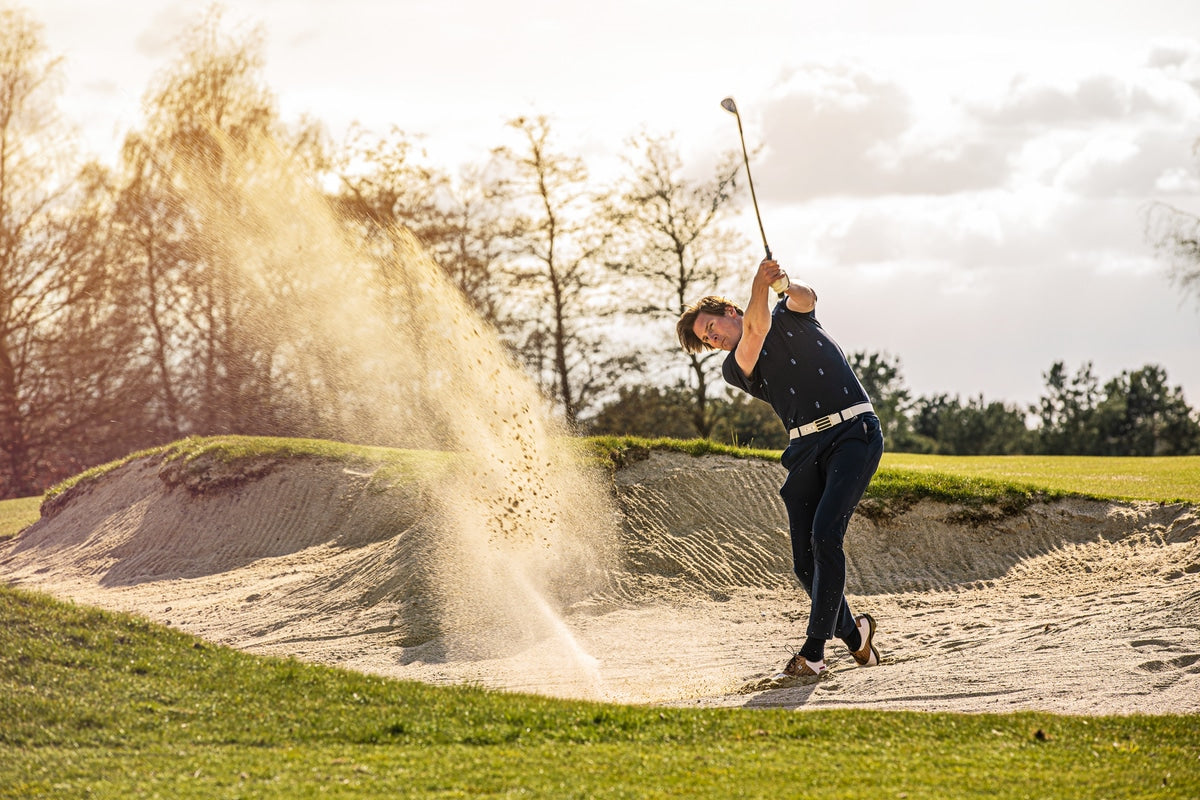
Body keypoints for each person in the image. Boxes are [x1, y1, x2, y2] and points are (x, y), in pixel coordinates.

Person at [676, 257, 885, 683]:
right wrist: (759, 283)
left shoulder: (791, 315)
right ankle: (854, 632)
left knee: (826, 533)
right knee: (804, 563)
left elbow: (807, 296)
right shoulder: (736, 366)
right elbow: (755, 331)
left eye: (711, 328)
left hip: (854, 434)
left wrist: (783, 283)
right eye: (706, 339)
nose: (713, 339)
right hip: (805, 447)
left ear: (727, 311)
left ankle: (812, 654)